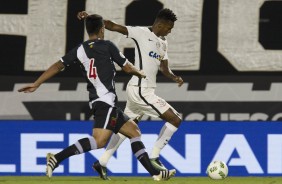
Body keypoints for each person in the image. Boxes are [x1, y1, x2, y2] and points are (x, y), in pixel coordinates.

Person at [18, 14, 176, 181]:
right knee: (99, 141)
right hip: (105, 100)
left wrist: (37, 83)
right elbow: (128, 67)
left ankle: (156, 173)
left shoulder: (80, 49)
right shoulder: (108, 46)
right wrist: (140, 72)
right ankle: (57, 158)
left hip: (101, 101)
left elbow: (58, 65)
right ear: (102, 29)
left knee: (134, 131)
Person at [77, 8, 184, 180]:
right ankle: (154, 157)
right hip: (141, 90)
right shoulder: (141, 32)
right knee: (175, 119)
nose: (170, 31)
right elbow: (113, 26)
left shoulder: (163, 42)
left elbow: (164, 67)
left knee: (125, 128)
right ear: (160, 24)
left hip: (141, 90)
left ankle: (102, 162)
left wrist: (174, 77)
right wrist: (90, 18)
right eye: (169, 27)